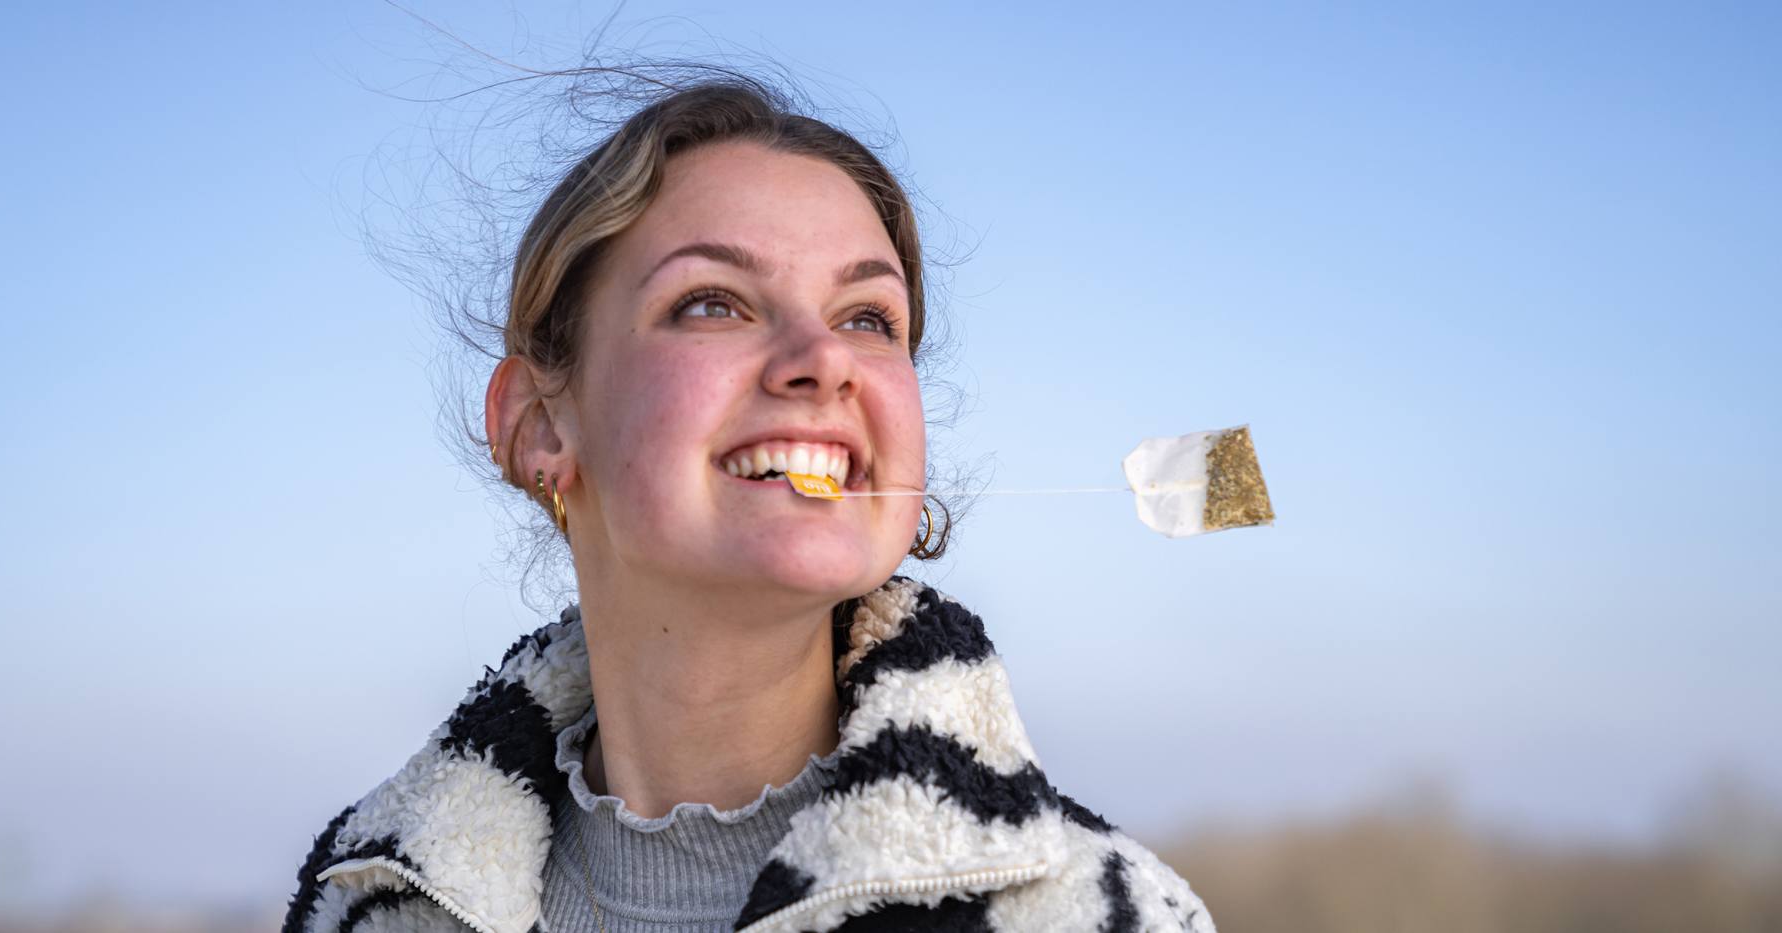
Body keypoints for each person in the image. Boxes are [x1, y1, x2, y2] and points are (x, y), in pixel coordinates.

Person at [283, 76, 1215, 933]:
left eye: (868, 318)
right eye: (715, 303)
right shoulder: (359, 900)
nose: (825, 357)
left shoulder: (1106, 914)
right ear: (538, 425)